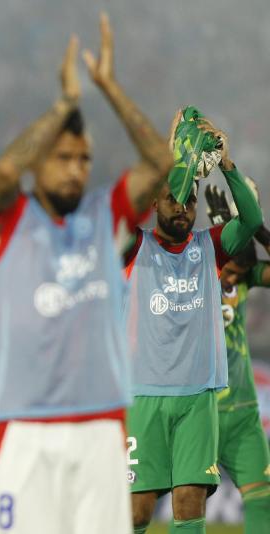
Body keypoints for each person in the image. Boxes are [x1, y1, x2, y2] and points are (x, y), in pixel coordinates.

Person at [0, 13, 174, 534]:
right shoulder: (5, 222)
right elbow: (1, 175)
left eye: (84, 159)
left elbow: (161, 164)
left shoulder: (104, 217)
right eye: (63, 158)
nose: (76, 169)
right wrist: (65, 103)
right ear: (39, 163)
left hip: (101, 427)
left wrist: (108, 87)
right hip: (21, 428)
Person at [124, 118, 263, 534]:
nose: (182, 209)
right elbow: (120, 207)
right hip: (142, 395)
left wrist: (226, 163)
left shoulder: (212, 246)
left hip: (198, 398)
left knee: (189, 502)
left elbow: (252, 219)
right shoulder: (133, 246)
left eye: (190, 201)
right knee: (136, 512)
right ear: (155, 203)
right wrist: (169, 161)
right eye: (172, 200)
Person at [206, 183, 270, 534]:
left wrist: (254, 225)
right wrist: (224, 232)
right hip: (201, 413)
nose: (230, 279)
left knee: (261, 499)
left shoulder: (243, 280)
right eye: (226, 271)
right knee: (185, 502)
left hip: (243, 413)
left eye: (235, 274)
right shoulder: (195, 272)